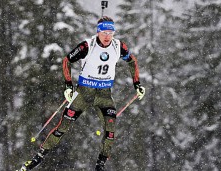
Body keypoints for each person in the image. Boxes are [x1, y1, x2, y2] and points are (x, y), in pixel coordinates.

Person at [18, 16, 145, 171]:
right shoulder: (87, 45)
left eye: (110, 32)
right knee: (62, 127)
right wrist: (68, 86)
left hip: (104, 94)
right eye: (104, 32)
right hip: (84, 92)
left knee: (110, 131)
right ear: (98, 32)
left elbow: (132, 61)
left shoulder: (119, 46)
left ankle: (100, 165)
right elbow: (67, 61)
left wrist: (137, 84)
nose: (107, 36)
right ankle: (37, 159)